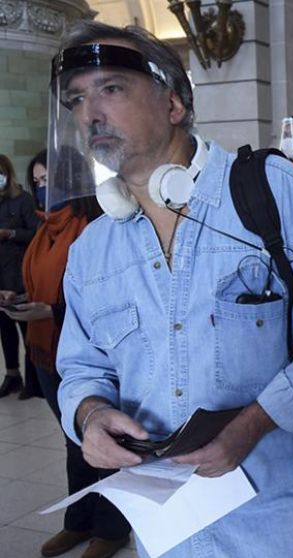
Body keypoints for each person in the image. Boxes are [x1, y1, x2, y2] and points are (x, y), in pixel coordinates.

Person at [51, 21, 293, 558]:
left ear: (174, 104)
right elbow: (82, 367)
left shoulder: (271, 195)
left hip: (279, 516)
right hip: (168, 525)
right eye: (78, 99)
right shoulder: (93, 251)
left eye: (111, 89)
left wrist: (254, 424)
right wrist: (88, 414)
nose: (91, 114)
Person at [3, 150, 132, 558]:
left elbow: (102, 299)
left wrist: (51, 310)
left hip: (90, 352)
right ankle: (78, 521)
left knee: (103, 443)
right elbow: (44, 282)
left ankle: (112, 529)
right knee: (73, 444)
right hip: (47, 351)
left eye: (51, 181)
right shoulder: (46, 228)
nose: (44, 190)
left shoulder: (96, 224)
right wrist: (21, 297)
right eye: (38, 182)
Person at [0, 153, 40, 399]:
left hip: (20, 272)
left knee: (27, 327)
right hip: (0, 277)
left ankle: (33, 379)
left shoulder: (23, 200)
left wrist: (11, 233)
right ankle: (12, 374)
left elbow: (35, 232)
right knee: (4, 328)